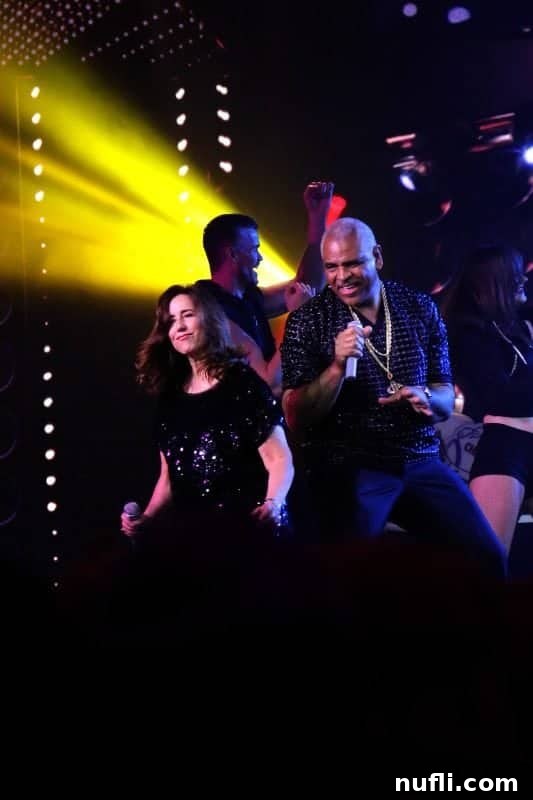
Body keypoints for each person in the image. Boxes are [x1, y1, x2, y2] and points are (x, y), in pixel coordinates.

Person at [280, 217, 506, 577]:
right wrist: (337, 366)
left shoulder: (418, 307)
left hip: (418, 459)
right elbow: (295, 415)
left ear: (378, 258)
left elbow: (445, 394)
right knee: (343, 577)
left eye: (353, 263)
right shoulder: (309, 320)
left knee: (487, 558)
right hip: (350, 465)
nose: (342, 276)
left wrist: (427, 398)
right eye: (332, 266)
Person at [120, 283, 294, 545]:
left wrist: (274, 503)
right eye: (171, 321)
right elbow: (168, 479)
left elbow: (280, 459)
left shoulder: (243, 385)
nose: (179, 327)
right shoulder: (170, 399)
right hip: (197, 543)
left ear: (209, 320)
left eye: (187, 315)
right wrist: (146, 518)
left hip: (249, 536)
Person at [197, 181, 334, 396]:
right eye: (254, 249)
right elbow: (268, 383)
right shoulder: (210, 311)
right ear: (232, 255)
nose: (260, 258)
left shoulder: (248, 298)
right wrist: (297, 317)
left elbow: (309, 285)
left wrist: (318, 218)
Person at [442, 244, 533, 554]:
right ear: (491, 282)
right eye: (514, 273)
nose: (523, 279)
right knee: (488, 559)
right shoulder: (468, 335)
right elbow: (498, 395)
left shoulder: (520, 328)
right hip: (507, 444)